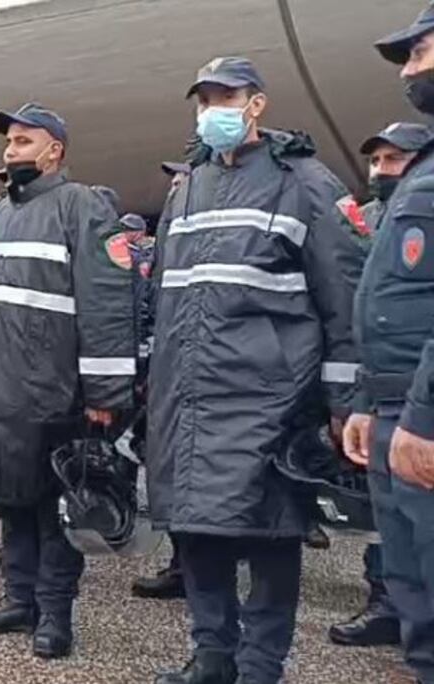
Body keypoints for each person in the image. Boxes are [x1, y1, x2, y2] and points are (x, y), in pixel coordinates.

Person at [148, 57, 364, 684]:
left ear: (257, 104)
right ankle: (213, 656)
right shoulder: (188, 183)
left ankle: (259, 667)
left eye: (226, 95)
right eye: (204, 98)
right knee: (196, 530)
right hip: (185, 394)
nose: (212, 108)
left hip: (269, 396)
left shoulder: (305, 182)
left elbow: (341, 296)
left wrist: (344, 398)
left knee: (271, 535)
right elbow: (165, 291)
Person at [0, 103, 135, 660]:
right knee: (13, 499)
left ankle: (54, 616)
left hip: (54, 390)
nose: (11, 151)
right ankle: (18, 599)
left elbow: (105, 304)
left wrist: (105, 393)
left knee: (54, 507)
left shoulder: (82, 207)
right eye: (9, 143)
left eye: (24, 142)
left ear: (55, 150)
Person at [346, 11, 434, 684]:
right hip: (396, 409)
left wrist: (422, 420)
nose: (409, 72)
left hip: (424, 418)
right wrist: (370, 404)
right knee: (413, 581)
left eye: (421, 52)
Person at [326, 122, 432, 649]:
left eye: (393, 160)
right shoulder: (375, 218)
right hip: (385, 396)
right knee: (400, 543)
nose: (380, 171)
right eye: (376, 160)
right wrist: (361, 400)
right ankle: (394, 612)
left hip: (422, 400)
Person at [131, 162, 192, 603]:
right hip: (167, 367)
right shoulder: (170, 239)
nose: (173, 187)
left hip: (203, 371)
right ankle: (182, 564)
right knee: (168, 464)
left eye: (181, 180)